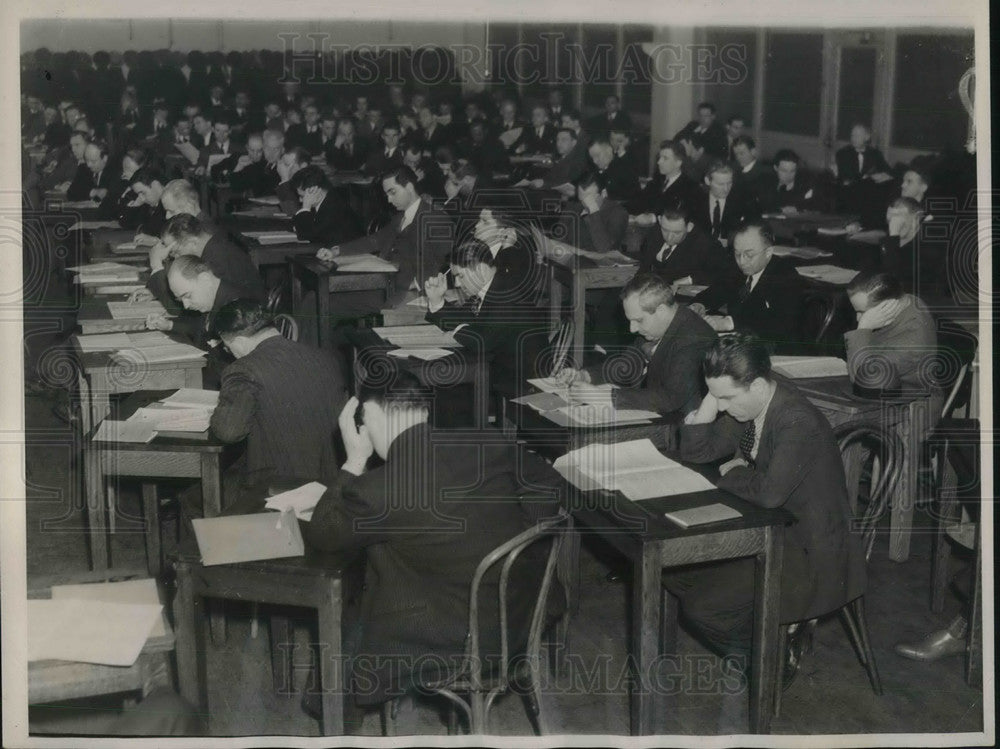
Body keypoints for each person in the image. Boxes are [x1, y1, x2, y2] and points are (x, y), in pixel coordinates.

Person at [301, 372, 563, 720]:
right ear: (422, 409)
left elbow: (323, 535)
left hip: (455, 641)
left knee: (351, 617)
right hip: (521, 615)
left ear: (371, 414)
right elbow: (550, 484)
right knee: (385, 561)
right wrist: (517, 539)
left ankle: (334, 717)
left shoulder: (378, 490)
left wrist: (353, 463)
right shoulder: (489, 441)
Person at [664, 334, 865, 678]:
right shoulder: (752, 400)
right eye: (716, 395)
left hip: (812, 552)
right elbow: (698, 455)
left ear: (756, 385)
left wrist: (735, 472)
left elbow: (770, 493)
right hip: (774, 529)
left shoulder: (795, 420)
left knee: (703, 608)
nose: (722, 407)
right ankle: (767, 638)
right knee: (676, 573)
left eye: (726, 397)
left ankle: (769, 660)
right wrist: (709, 406)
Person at [210, 299, 348, 495]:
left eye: (227, 347)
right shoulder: (326, 357)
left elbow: (228, 432)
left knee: (192, 499)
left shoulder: (243, 369)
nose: (230, 353)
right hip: (331, 480)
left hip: (275, 485)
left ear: (238, 341)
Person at [555, 273, 716, 415]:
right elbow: (626, 365)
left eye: (638, 320)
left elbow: (670, 398)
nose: (633, 329)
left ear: (660, 310)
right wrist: (585, 376)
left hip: (679, 429)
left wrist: (604, 396)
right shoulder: (658, 326)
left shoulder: (694, 339)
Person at [424, 241, 548, 398]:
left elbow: (483, 342)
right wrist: (436, 301)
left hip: (521, 383)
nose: (456, 283)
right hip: (499, 368)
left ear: (481, 269)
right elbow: (463, 318)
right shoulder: (491, 287)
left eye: (460, 276)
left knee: (445, 390)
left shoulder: (506, 292)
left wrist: (456, 331)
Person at [317, 166, 453, 306]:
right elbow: (374, 240)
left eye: (392, 192)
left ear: (410, 187)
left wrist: (416, 285)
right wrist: (336, 251)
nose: (389, 200)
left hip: (406, 292)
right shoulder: (400, 217)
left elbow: (440, 263)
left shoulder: (437, 219)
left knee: (325, 301)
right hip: (383, 283)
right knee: (319, 297)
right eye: (387, 194)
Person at [691, 222, 805, 351]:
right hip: (743, 344)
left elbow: (775, 324)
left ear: (768, 252)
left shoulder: (785, 276)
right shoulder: (738, 269)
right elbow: (718, 290)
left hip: (777, 350)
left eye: (749, 255)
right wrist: (699, 305)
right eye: (737, 254)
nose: (742, 261)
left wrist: (728, 322)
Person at [638, 207, 728, 287]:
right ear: (660, 220)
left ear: (689, 227)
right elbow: (644, 265)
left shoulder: (706, 244)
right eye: (665, 230)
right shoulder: (653, 233)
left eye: (676, 233)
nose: (669, 237)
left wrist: (690, 280)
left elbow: (721, 271)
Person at [627, 140, 700, 224]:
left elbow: (681, 215)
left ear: (678, 163)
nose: (659, 162)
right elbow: (639, 201)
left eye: (665, 158)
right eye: (659, 157)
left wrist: (653, 218)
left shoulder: (690, 187)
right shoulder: (656, 181)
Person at [555, 172, 629, 254]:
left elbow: (605, 250)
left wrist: (594, 211)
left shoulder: (618, 214)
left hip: (599, 264)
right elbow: (559, 237)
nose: (585, 203)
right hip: (572, 260)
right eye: (581, 199)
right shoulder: (574, 207)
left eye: (589, 199)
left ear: (603, 193)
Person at [291, 165, 364, 246]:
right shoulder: (328, 200)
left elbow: (305, 236)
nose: (300, 200)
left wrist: (306, 206)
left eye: (302, 196)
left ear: (314, 190)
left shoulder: (333, 208)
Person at [690, 162, 760, 245]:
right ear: (707, 181)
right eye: (720, 184)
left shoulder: (743, 200)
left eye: (729, 183)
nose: (726, 189)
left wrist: (730, 242)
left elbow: (753, 230)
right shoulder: (695, 200)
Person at [762, 149, 820, 214]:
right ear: (775, 168)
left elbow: (816, 205)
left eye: (792, 171)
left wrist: (797, 209)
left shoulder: (805, 186)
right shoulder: (766, 186)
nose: (788, 175)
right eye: (784, 171)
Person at [587, 137, 640, 204]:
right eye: (592, 158)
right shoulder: (597, 172)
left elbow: (632, 197)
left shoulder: (624, 167)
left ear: (609, 150)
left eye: (597, 155)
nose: (595, 161)